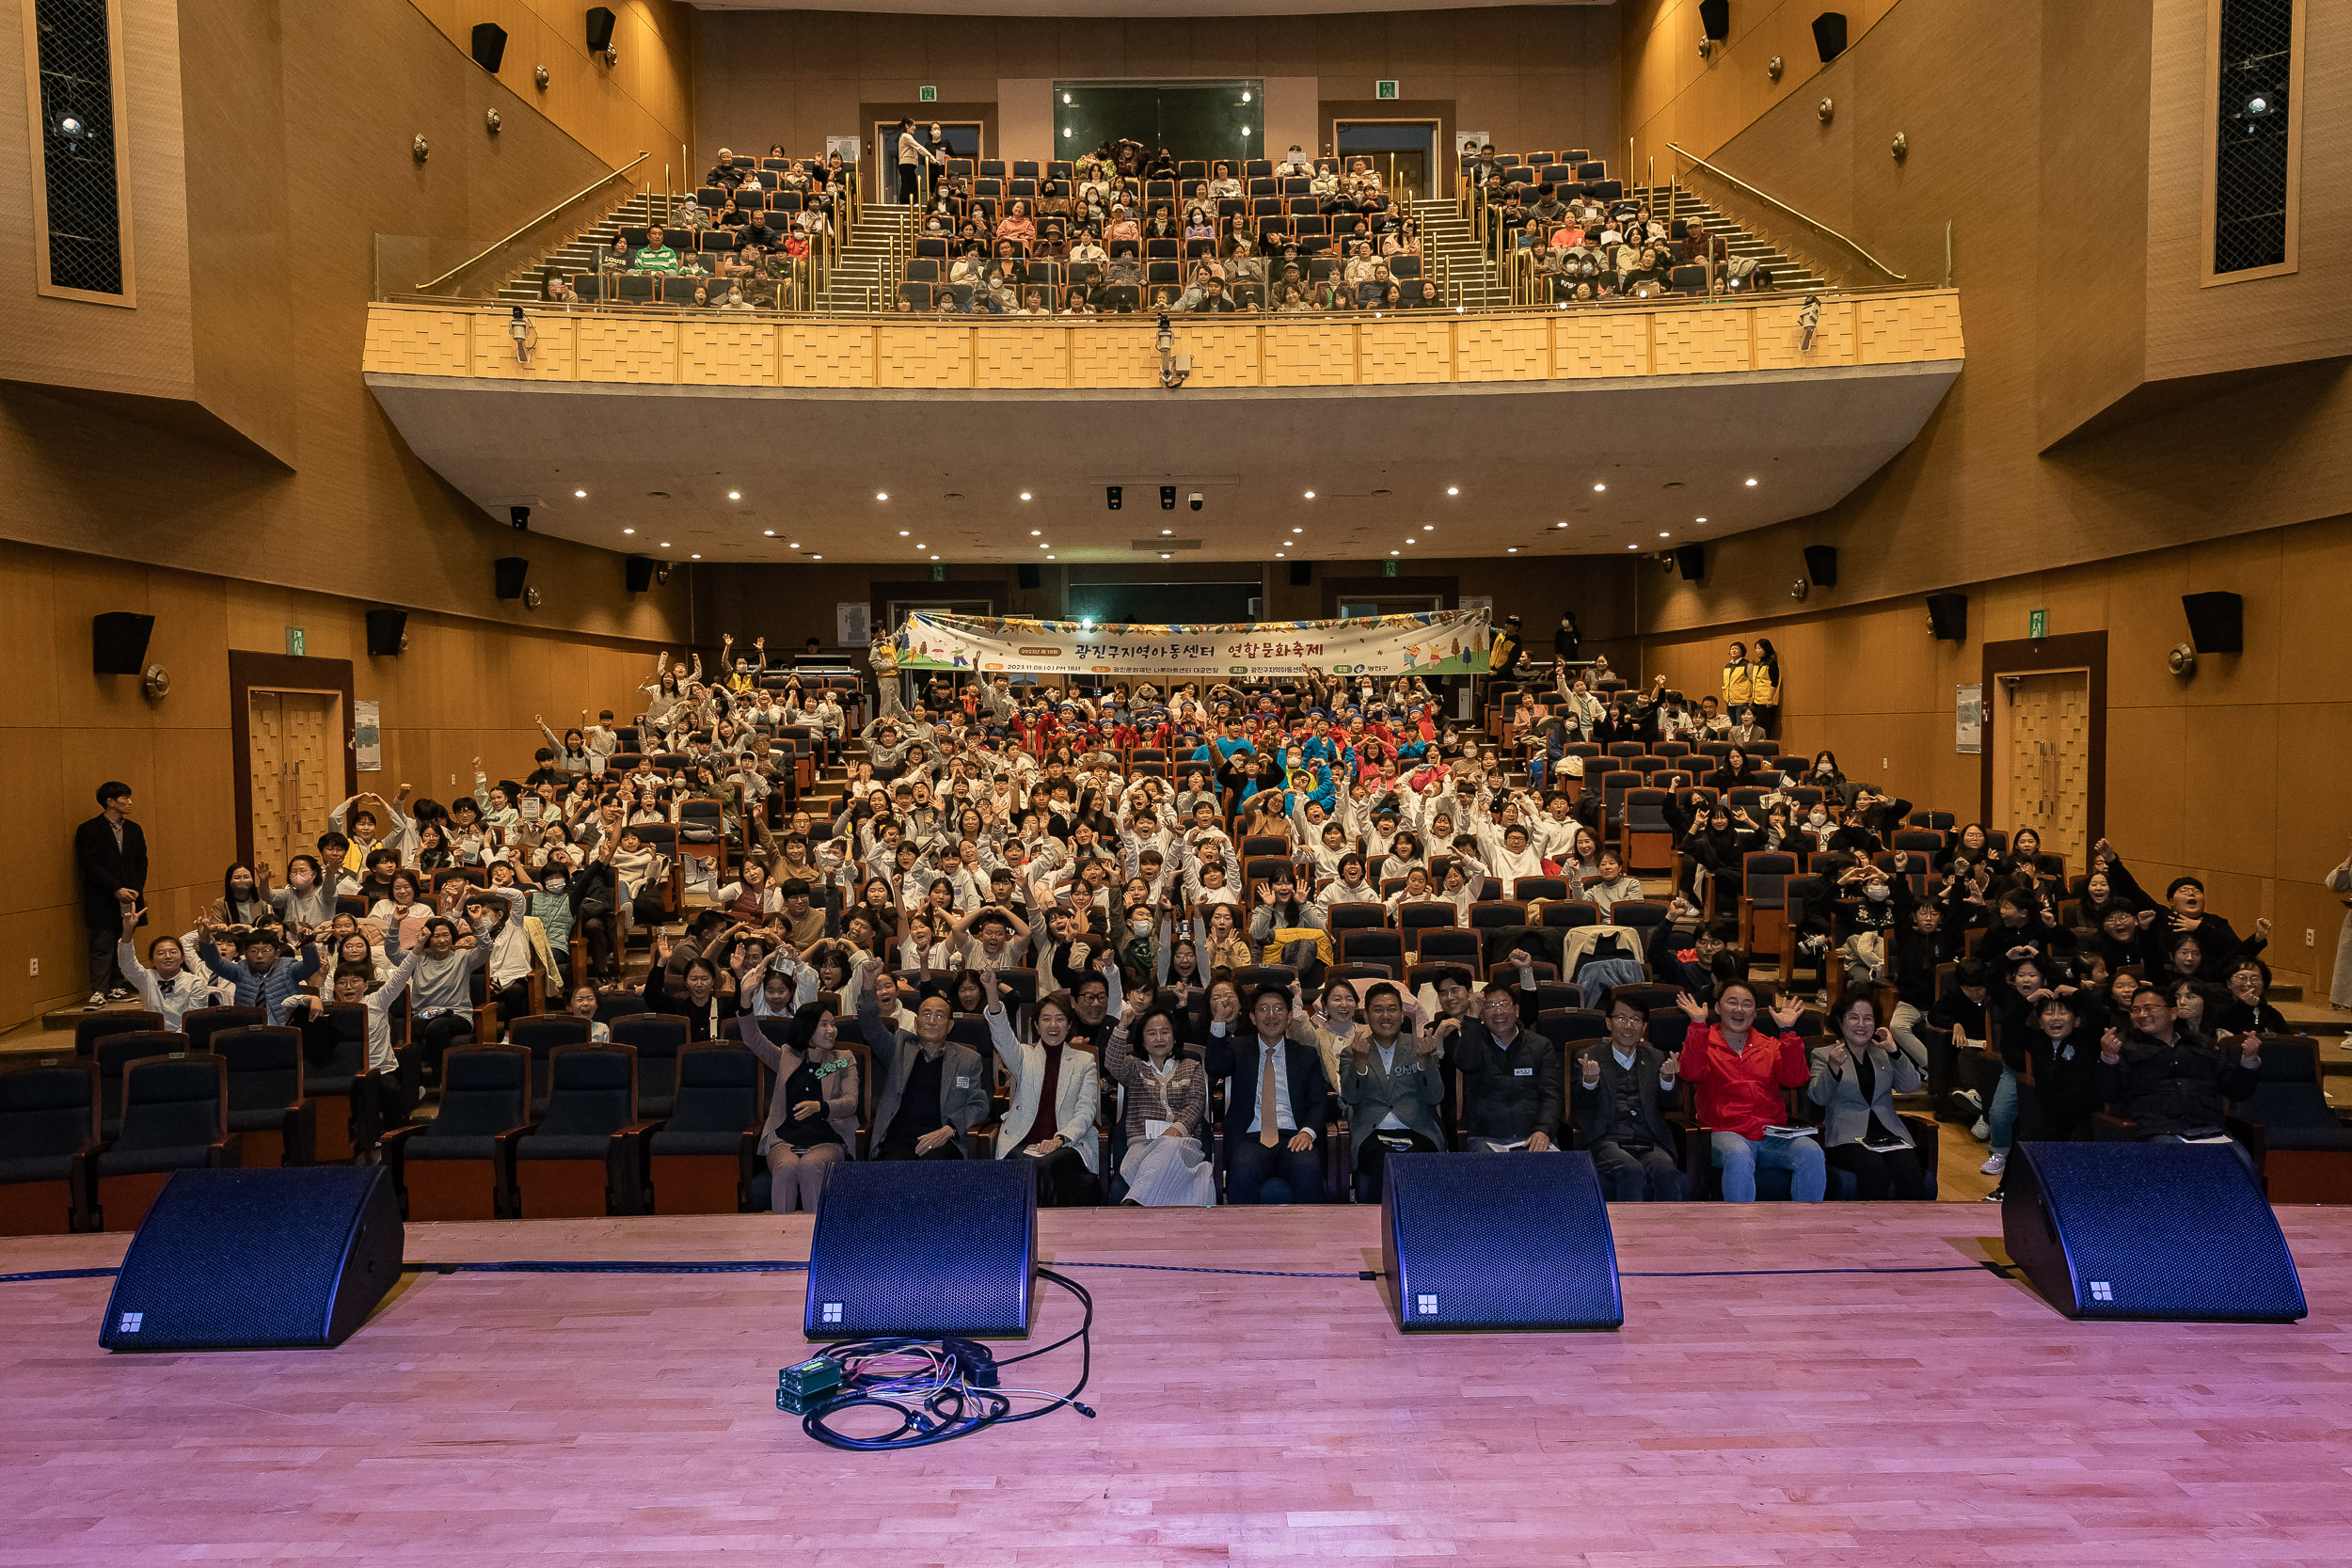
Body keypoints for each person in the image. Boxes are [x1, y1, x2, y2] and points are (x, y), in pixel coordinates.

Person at [1676, 981, 1824, 1201]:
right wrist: (1698, 1025)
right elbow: (1691, 1073)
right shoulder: (1704, 1042)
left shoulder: (1770, 1045)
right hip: (1725, 1132)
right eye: (1732, 1003)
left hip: (1771, 1134)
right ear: (1717, 1008)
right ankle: (1741, 1229)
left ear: (1754, 1013)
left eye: (1747, 1005)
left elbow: (1795, 1079)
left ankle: (1806, 1228)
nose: (1739, 1010)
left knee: (1811, 1152)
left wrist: (1787, 1032)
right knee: (1738, 1153)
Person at [980, 969, 1103, 1206]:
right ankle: (1025, 1229)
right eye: (1046, 1019)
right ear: (1036, 1026)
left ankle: (1045, 1229)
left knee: (1048, 1163)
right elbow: (1002, 1037)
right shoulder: (1024, 1056)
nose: (1053, 1025)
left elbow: (1086, 1110)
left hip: (1069, 1144)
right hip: (1024, 1139)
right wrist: (991, 993)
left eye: (1060, 1019)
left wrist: (1059, 1139)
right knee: (1025, 1163)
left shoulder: (1084, 1061)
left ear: (1069, 1026)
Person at [1202, 985, 1331, 1203]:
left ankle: (1309, 1236)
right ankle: (1244, 1236)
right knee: (1242, 1171)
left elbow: (1318, 1102)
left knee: (1307, 1168)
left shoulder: (1305, 1055)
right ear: (1252, 1018)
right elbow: (1214, 1066)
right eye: (1263, 1009)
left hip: (1294, 1136)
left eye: (1278, 1009)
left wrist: (1307, 1132)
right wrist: (1219, 1020)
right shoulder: (1238, 1048)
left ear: (1289, 1017)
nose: (1271, 1015)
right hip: (1250, 1138)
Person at [2096, 984, 2262, 1149]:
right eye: (2135, 1010)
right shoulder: (2123, 1047)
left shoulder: (2201, 1044)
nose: (2142, 1015)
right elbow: (2110, 1093)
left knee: (2242, 1168)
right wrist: (2109, 1057)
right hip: (2157, 1132)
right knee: (2181, 1167)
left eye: (2149, 1008)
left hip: (2210, 1131)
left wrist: (2249, 1059)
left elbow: (2236, 1091)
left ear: (2173, 1013)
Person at [857, 958, 988, 1160]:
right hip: (898, 1139)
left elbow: (979, 1104)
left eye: (939, 1016)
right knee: (891, 1174)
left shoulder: (968, 1059)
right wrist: (868, 983)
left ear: (950, 1025)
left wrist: (950, 1129)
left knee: (935, 1172)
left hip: (942, 1140)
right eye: (926, 1014)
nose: (931, 1021)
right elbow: (871, 1028)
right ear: (916, 1023)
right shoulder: (899, 1046)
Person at [737, 1001, 859, 1213]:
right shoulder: (787, 1057)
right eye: (823, 1025)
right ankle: (783, 1237)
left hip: (827, 1140)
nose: (831, 1030)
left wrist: (820, 1107)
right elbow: (753, 1039)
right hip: (785, 1140)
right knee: (785, 1168)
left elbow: (850, 1102)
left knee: (810, 1167)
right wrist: (746, 1001)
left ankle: (813, 1237)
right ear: (807, 1028)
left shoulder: (842, 1060)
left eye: (833, 1024)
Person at [1807, 994, 1930, 1200]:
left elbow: (1911, 1085)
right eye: (1853, 1018)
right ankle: (1871, 1228)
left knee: (1909, 1168)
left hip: (1887, 1132)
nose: (1861, 1024)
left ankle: (1911, 1229)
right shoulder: (1823, 1054)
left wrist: (1895, 1052)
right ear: (1840, 1020)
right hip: (1846, 1136)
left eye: (1868, 1018)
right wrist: (1833, 1068)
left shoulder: (1882, 1053)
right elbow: (1818, 1097)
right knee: (1873, 1169)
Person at [1102, 992, 1215, 1206]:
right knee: (1201, 1174)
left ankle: (1134, 1204)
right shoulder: (1134, 1067)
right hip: (1142, 1145)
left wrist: (1175, 1131)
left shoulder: (1192, 1067)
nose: (1160, 1038)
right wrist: (1121, 1028)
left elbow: (1196, 1103)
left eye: (1165, 1032)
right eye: (1152, 1033)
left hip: (1183, 1142)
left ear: (1174, 1036)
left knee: (1170, 1146)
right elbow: (1113, 1064)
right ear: (1142, 1040)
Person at [1336, 981, 1445, 1202]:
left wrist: (1425, 1064)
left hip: (1417, 1130)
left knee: (1420, 1168)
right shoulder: (1352, 1051)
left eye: (1392, 1009)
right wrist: (1360, 1064)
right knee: (1378, 1166)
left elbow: (1435, 1097)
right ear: (1366, 1016)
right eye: (1378, 1010)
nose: (1386, 1016)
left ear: (1402, 1014)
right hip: (1372, 1133)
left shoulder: (1420, 1046)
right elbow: (1350, 1097)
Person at [1574, 994, 1687, 1200]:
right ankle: (1629, 1232)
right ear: (1609, 1022)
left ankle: (1671, 1230)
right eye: (1622, 1018)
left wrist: (1667, 1080)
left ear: (1644, 1027)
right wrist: (1590, 1082)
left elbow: (1671, 1104)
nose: (1628, 1025)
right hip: (1608, 1138)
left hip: (1649, 1137)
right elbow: (1581, 1105)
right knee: (1630, 1170)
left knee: (1665, 1170)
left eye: (1635, 1019)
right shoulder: (1590, 1056)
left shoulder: (1656, 1058)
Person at [1438, 974, 1561, 1153]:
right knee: (1494, 1177)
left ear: (1516, 1010)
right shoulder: (1474, 1041)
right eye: (1490, 1006)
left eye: (1504, 1004)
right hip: (1487, 1138)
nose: (1498, 1012)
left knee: (1555, 1176)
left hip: (1534, 1136)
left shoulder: (1540, 1045)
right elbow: (1465, 1063)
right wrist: (1471, 1018)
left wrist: (1544, 1130)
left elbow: (1552, 1095)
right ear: (1482, 1012)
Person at [76, 781, 148, 1008]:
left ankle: (118, 986)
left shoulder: (134, 829)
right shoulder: (88, 829)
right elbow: (91, 864)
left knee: (124, 941)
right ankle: (99, 990)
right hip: (103, 897)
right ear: (110, 802)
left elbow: (141, 861)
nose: (130, 802)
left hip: (131, 897)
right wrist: (115, 888)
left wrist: (135, 888)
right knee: (102, 943)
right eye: (125, 798)